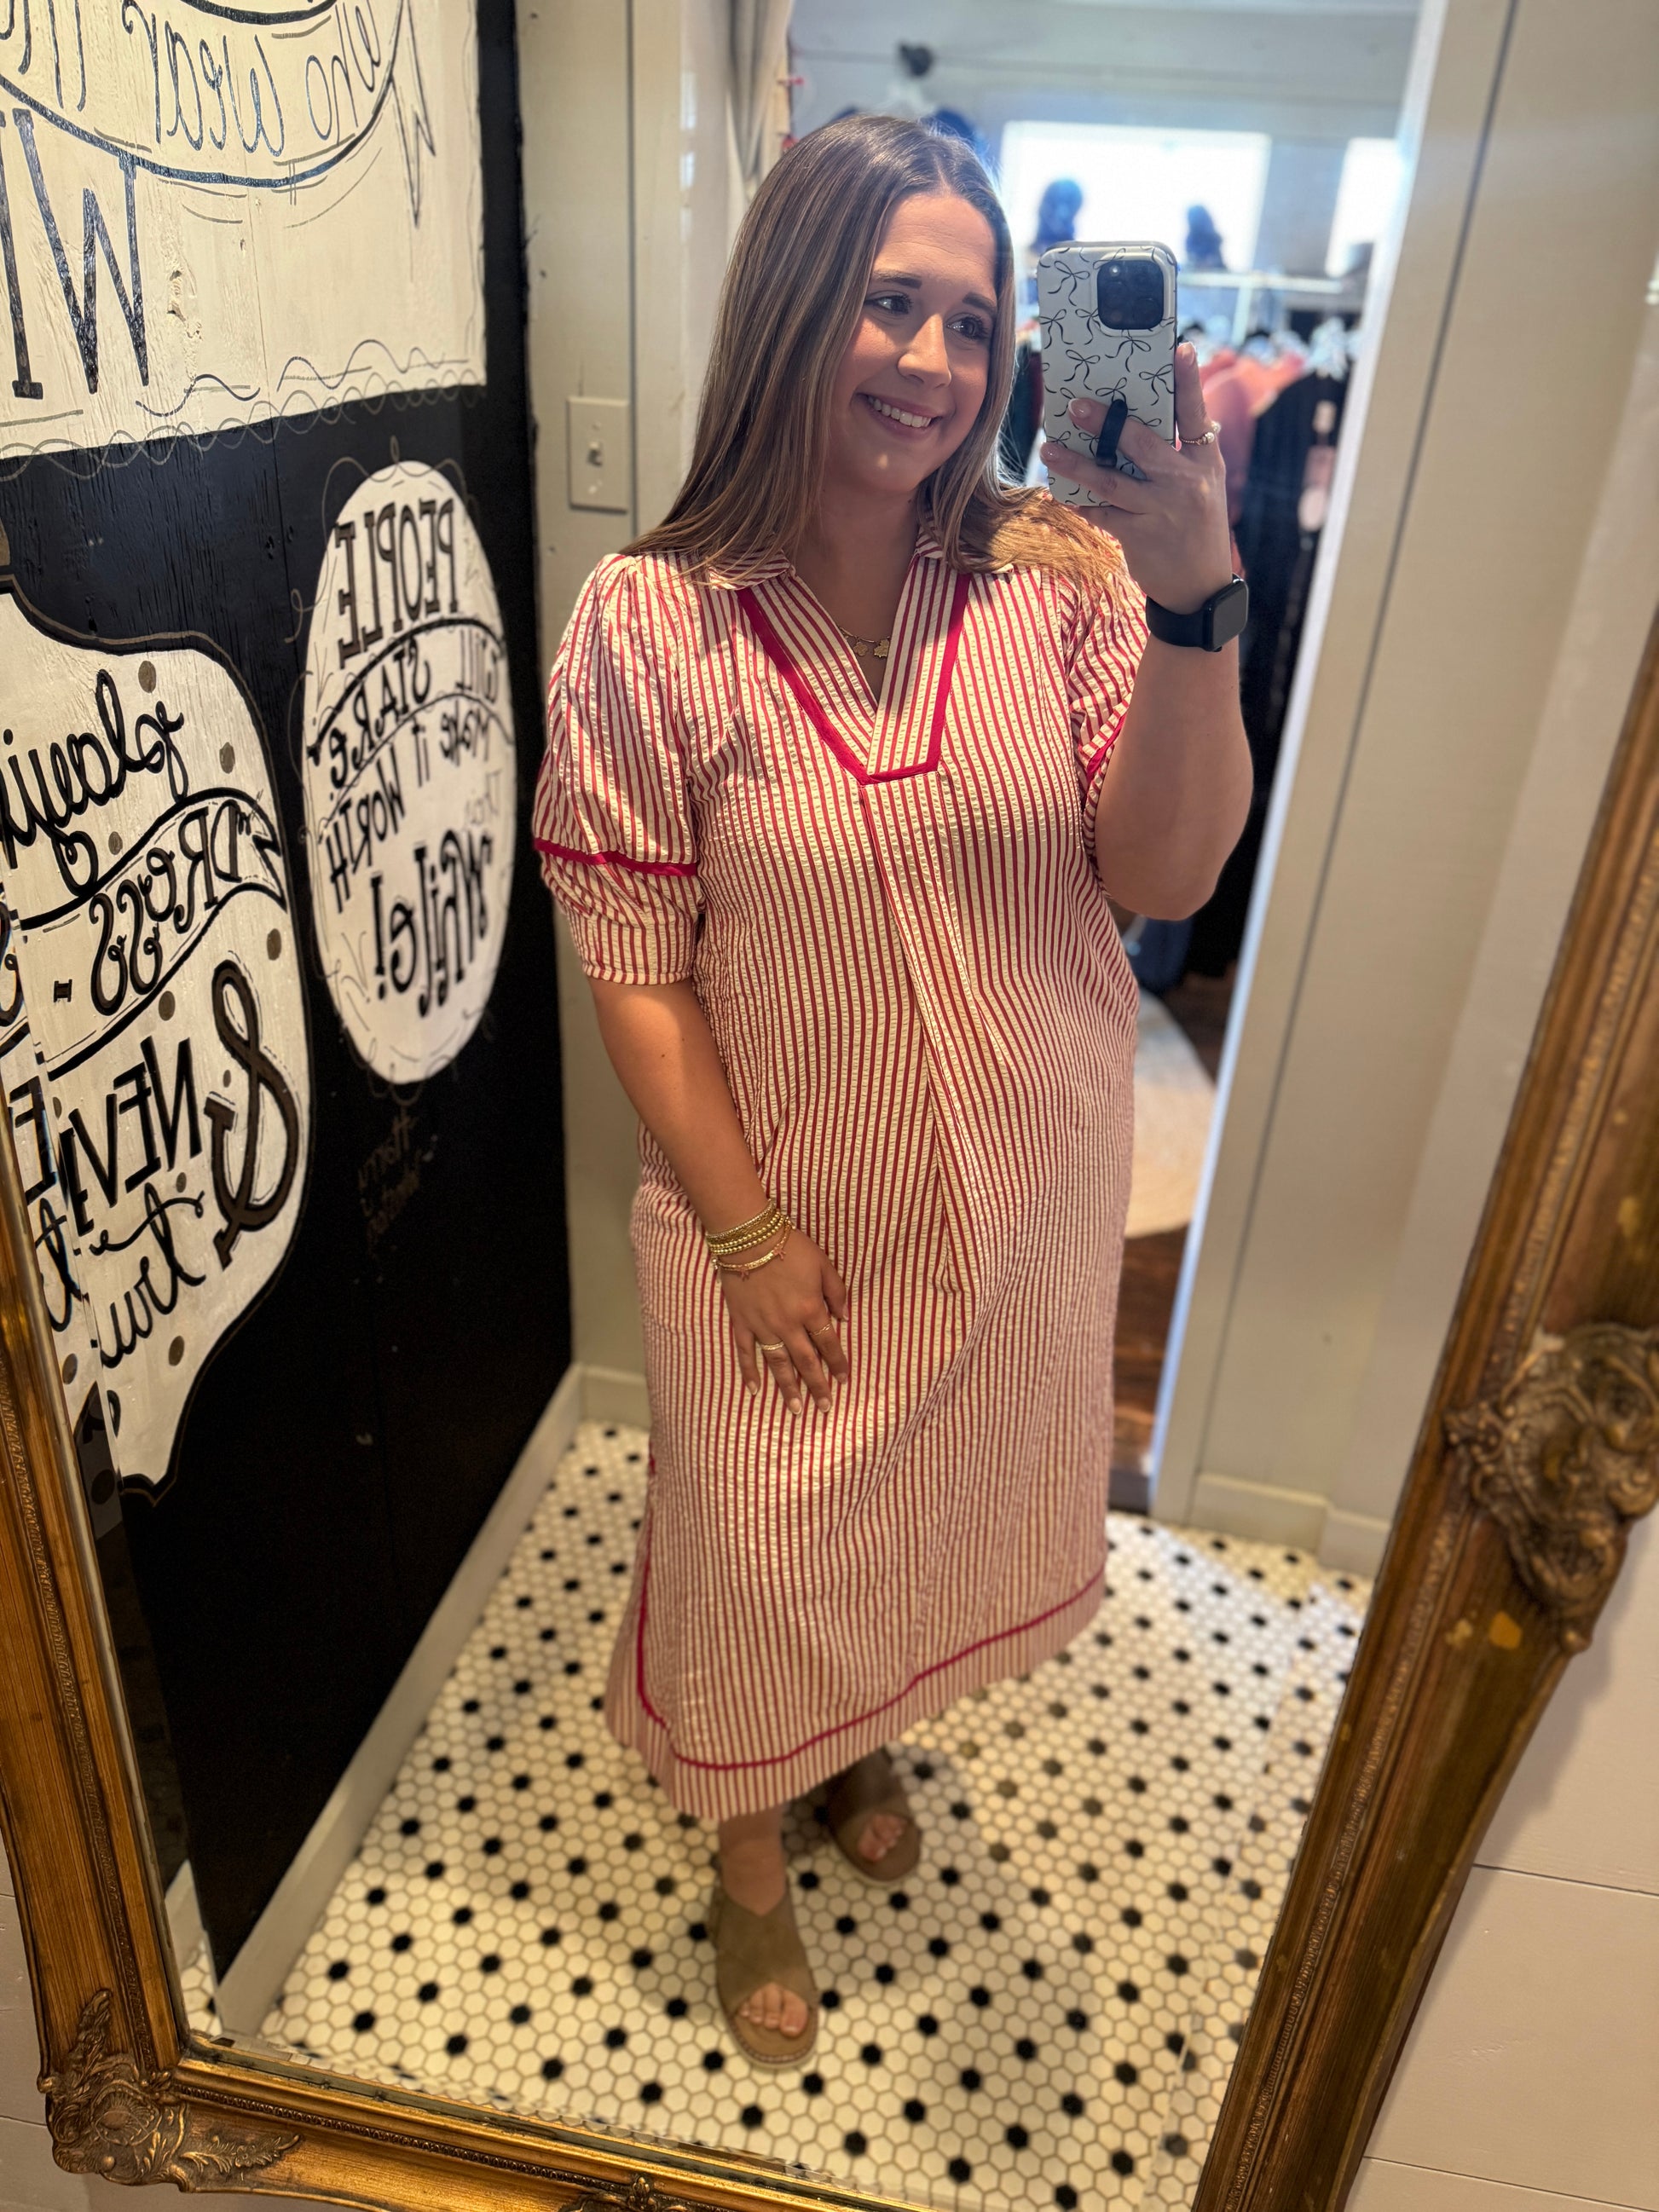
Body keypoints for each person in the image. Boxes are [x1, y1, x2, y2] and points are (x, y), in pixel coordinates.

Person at [533, 114, 1248, 2067]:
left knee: (913, 1526)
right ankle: (747, 1847)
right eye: (884, 302)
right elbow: (636, 970)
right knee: (757, 1539)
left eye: (970, 317)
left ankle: (858, 1743)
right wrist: (751, 1234)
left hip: (1014, 1208)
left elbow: (1169, 875)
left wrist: (1200, 592)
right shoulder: (650, 624)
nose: (930, 362)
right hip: (779, 1222)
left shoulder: (1069, 583)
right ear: (789, 306)